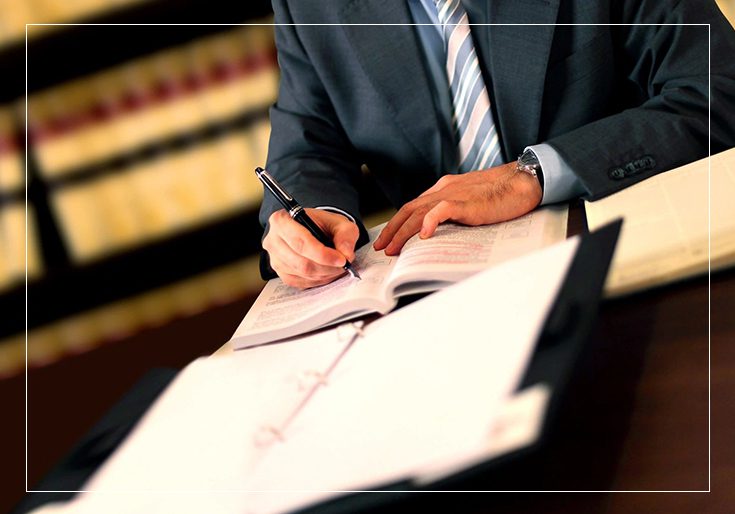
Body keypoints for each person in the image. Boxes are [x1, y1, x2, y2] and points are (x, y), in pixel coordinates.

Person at [259, 0, 735, 289]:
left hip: (620, 258)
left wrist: (532, 174)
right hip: (440, 298)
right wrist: (317, 217)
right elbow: (307, 143)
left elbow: (718, 89)